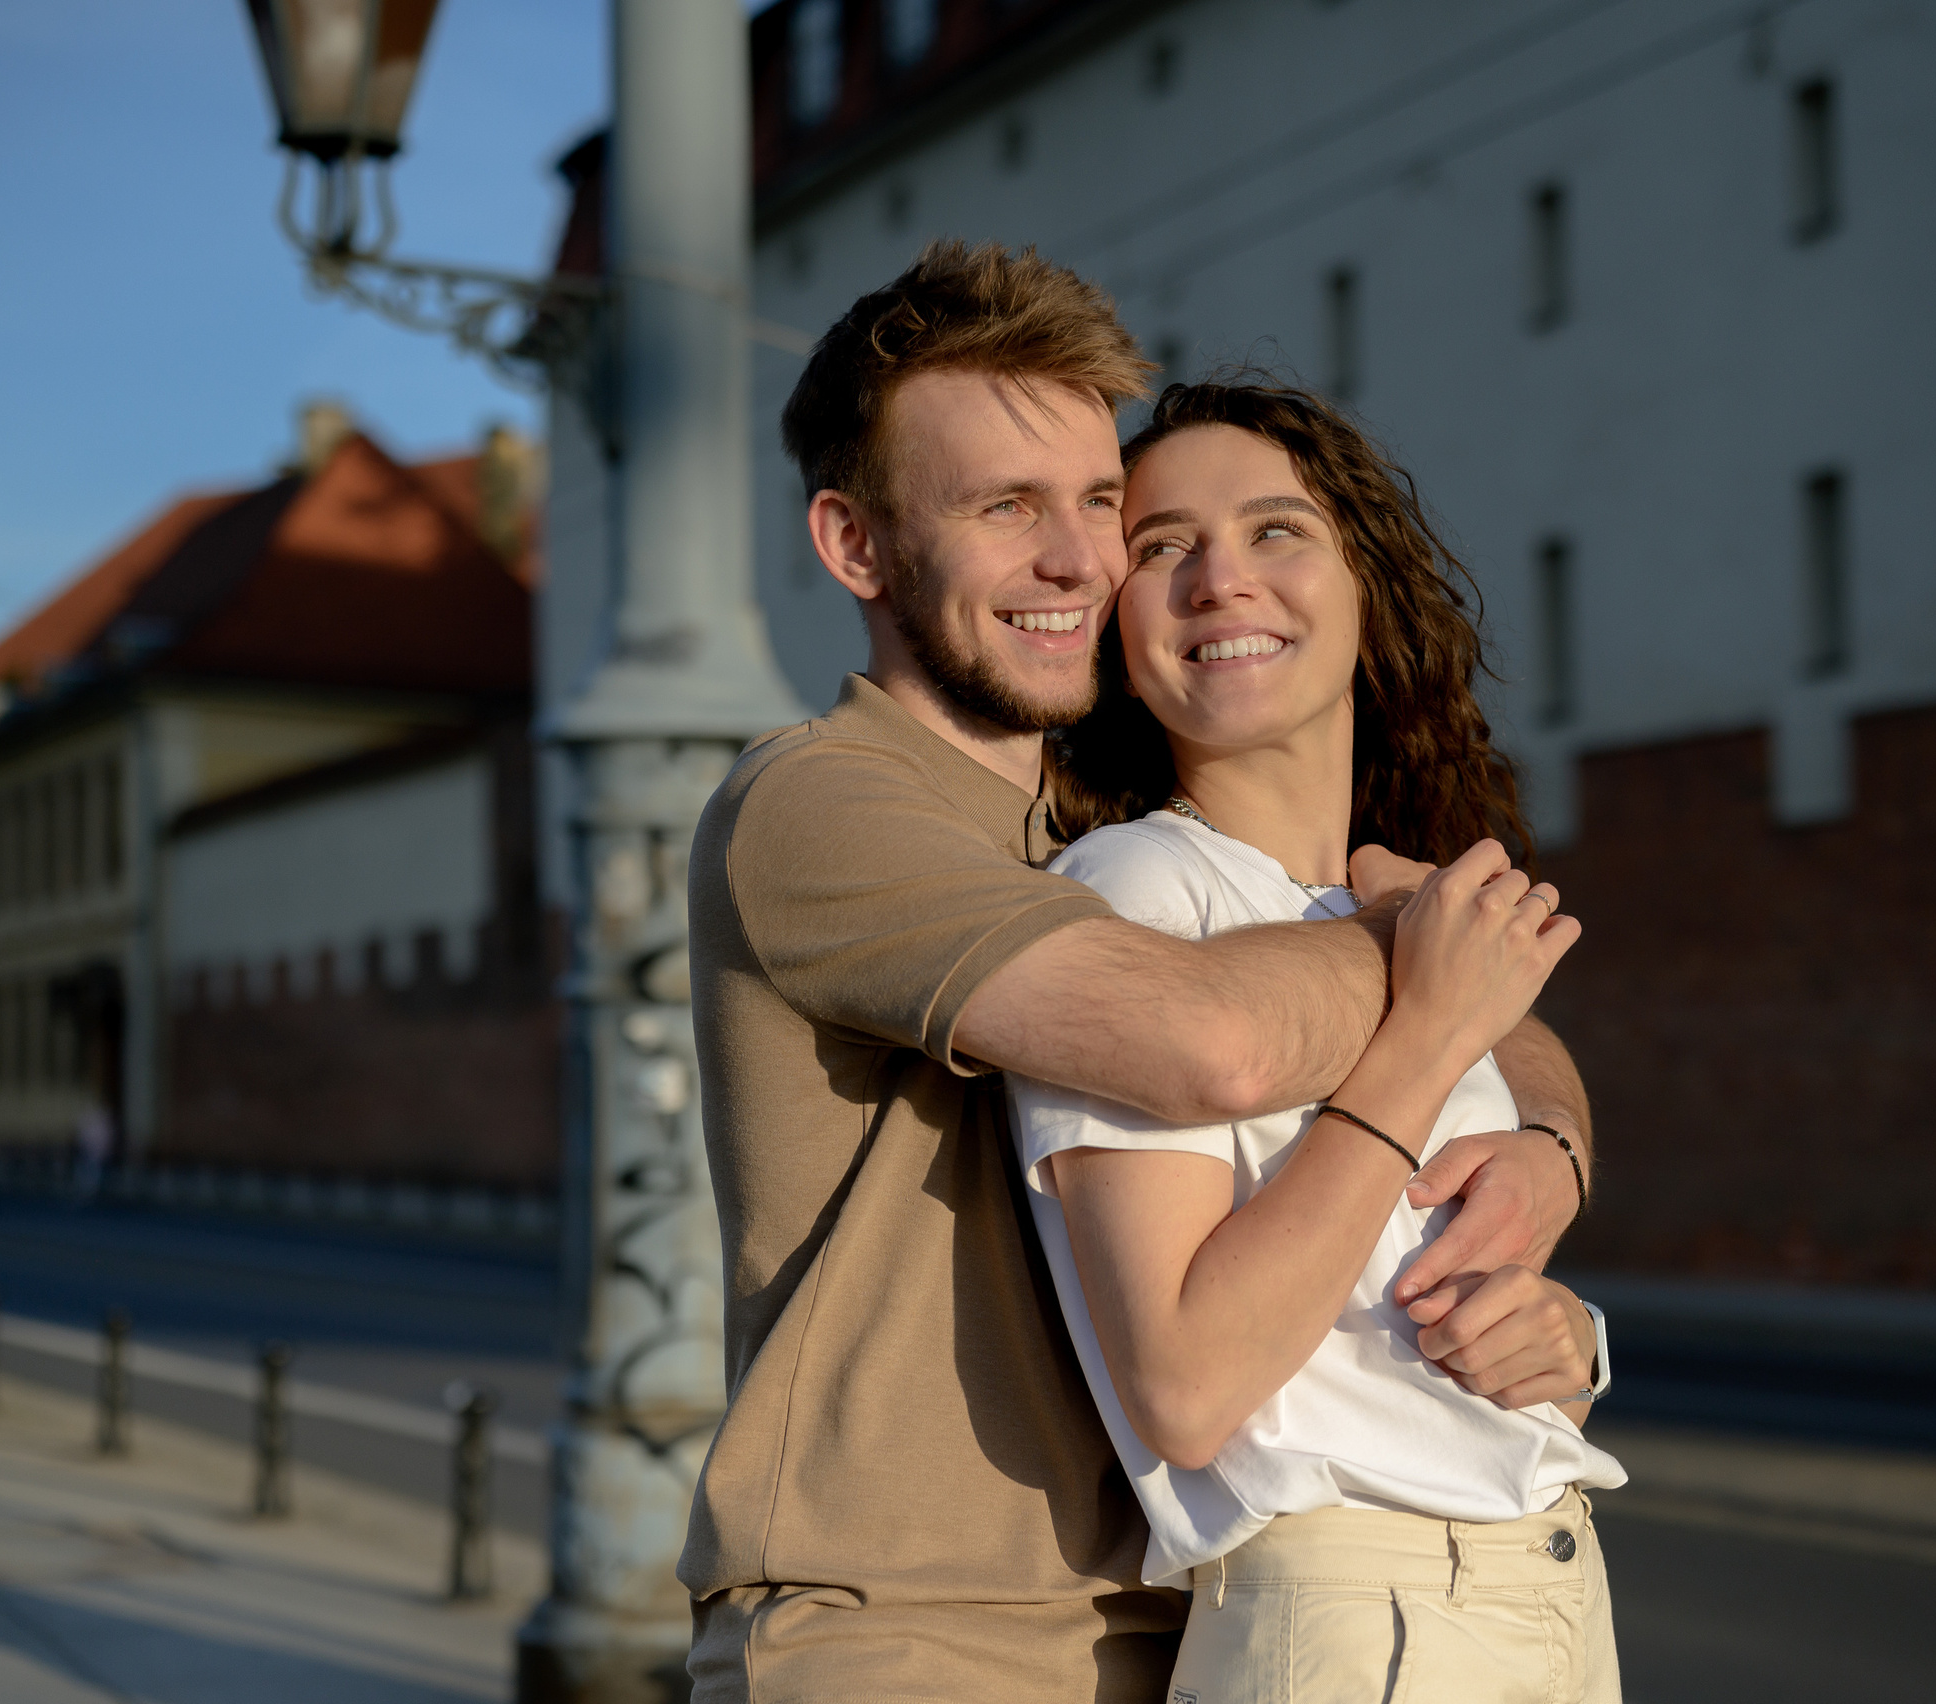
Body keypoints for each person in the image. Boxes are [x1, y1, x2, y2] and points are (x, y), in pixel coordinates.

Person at [679, 241, 1601, 1703]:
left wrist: (1547, 1143)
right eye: (1005, 507)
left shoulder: (1095, 835)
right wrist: (1429, 949)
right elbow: (1211, 1045)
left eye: (1100, 503)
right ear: (856, 546)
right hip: (904, 1640)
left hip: (1156, 1630)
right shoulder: (821, 805)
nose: (1078, 560)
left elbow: (1489, 1027)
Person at [1013, 378, 1626, 1701]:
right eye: (1163, 547)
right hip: (1361, 1623)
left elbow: (1397, 1322)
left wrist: (1568, 1340)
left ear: (1365, 589)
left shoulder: (1377, 904)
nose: (1221, 578)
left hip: (1533, 1591)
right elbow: (1187, 1386)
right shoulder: (1135, 889)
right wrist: (1428, 1036)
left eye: (1275, 530)